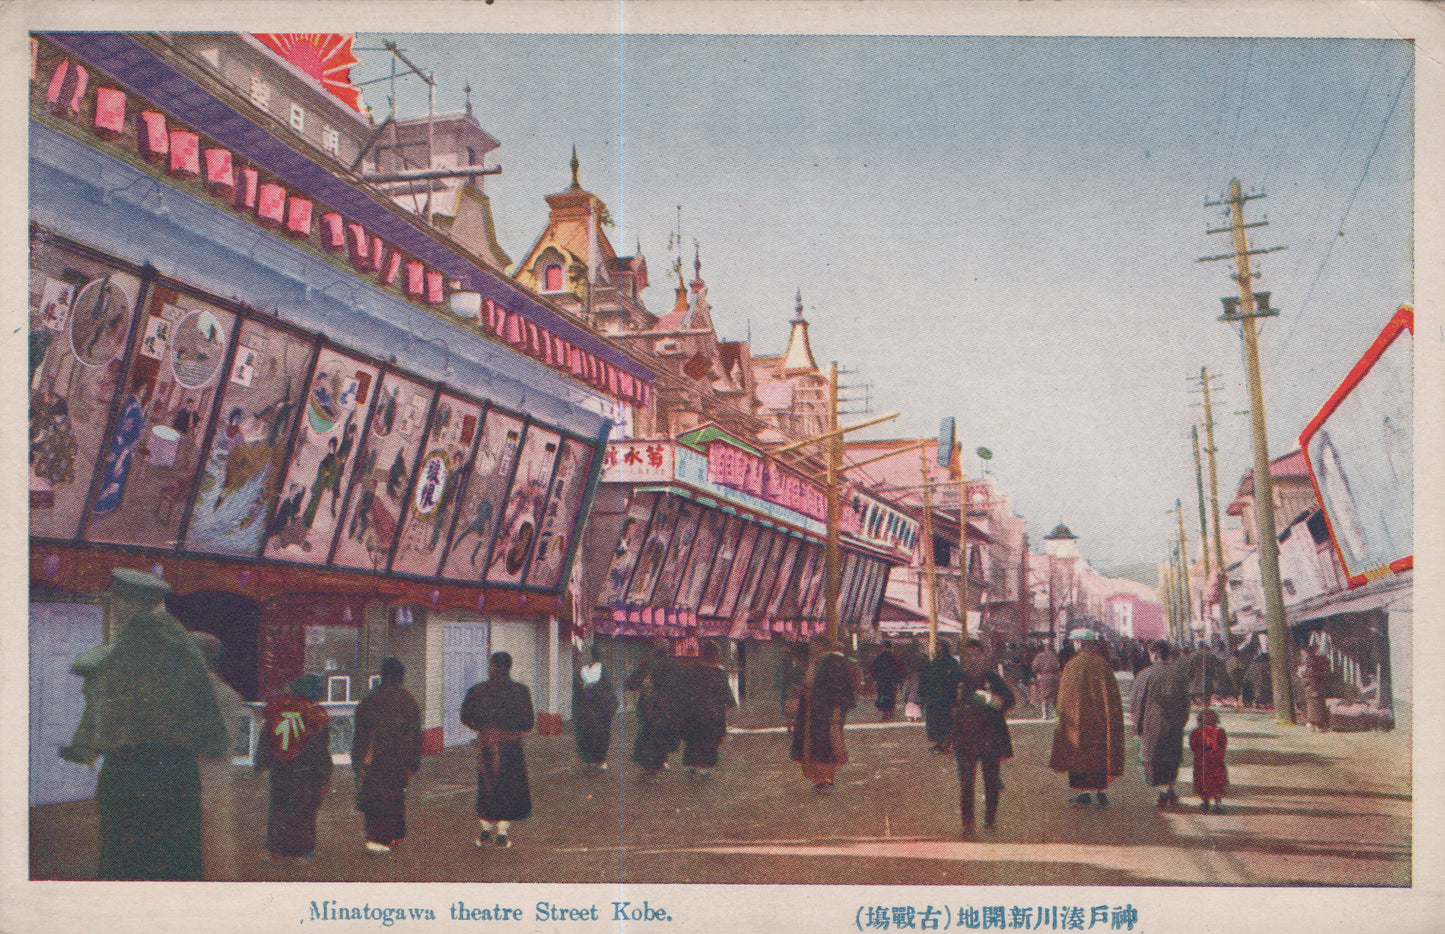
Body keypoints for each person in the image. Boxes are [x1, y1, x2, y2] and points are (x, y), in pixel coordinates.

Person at [61, 569, 230, 880]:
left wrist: (84, 747)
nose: (113, 607)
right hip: (176, 771)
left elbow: (99, 704)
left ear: (130, 604)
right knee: (174, 861)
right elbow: (208, 723)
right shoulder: (183, 646)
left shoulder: (123, 650)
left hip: (128, 771)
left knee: (125, 861)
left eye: (116, 601)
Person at [461, 652, 535, 848]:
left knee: (487, 785)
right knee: (508, 787)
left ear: (491, 666)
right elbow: (529, 722)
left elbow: (465, 716)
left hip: (487, 745)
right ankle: (502, 831)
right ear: (509, 667)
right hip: (511, 747)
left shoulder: (478, 690)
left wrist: (483, 729)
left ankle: (485, 829)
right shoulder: (521, 691)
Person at [255, 673, 333, 861]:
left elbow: (266, 737)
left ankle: (277, 849)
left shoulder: (276, 709)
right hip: (305, 769)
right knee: (304, 810)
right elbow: (321, 746)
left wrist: (262, 762)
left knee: (279, 807)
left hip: (280, 767)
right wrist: (324, 773)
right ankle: (302, 850)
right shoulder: (315, 714)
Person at [192, 632, 248, 879]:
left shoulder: (211, 692)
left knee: (210, 836)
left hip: (206, 772)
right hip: (212, 773)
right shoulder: (221, 691)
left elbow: (215, 742)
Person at [351, 657, 422, 854]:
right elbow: (414, 734)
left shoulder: (369, 699)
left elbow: (360, 733)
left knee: (373, 797)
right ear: (401, 676)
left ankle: (374, 837)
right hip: (397, 759)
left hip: (373, 758)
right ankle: (391, 837)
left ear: (382, 676)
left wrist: (357, 761)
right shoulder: (408, 701)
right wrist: (413, 763)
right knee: (394, 797)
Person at [1048, 628, 1125, 808]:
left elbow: (1063, 698)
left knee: (1078, 754)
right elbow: (1112, 697)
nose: (1073, 645)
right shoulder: (1102, 665)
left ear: (1080, 644)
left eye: (1075, 642)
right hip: (1099, 720)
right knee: (1098, 754)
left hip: (1078, 721)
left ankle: (1084, 793)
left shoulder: (1072, 666)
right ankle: (1100, 791)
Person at [951, 638, 1015, 835]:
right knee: (966, 782)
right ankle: (967, 823)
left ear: (983, 656)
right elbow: (945, 704)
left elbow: (1009, 700)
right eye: (968, 655)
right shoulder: (956, 678)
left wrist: (990, 700)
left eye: (976, 654)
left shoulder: (992, 678)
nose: (973, 659)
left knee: (991, 779)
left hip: (990, 735)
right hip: (964, 736)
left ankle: (990, 818)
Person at [790, 635, 857, 794]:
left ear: (821, 645)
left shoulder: (830, 662)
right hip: (814, 711)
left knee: (825, 744)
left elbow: (835, 690)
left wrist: (835, 710)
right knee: (816, 744)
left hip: (824, 711)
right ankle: (821, 780)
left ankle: (825, 780)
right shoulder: (818, 661)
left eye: (814, 645)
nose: (811, 648)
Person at [1129, 640, 1190, 808]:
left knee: (1154, 758)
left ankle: (1161, 791)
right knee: (1171, 757)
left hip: (1151, 722)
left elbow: (1136, 702)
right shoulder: (1178, 675)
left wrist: (1137, 723)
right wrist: (1182, 720)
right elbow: (1186, 702)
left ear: (1154, 655)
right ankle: (1170, 787)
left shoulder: (1144, 675)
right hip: (1174, 723)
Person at [624, 638, 685, 782]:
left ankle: (650, 769)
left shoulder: (647, 664)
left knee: (647, 737)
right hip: (668, 708)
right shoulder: (675, 666)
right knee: (663, 736)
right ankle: (660, 763)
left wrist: (643, 686)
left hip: (648, 707)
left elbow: (630, 683)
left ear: (653, 650)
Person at [679, 643, 738, 778]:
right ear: (715, 655)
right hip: (712, 712)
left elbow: (683, 689)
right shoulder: (718, 672)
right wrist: (730, 703)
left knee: (692, 738)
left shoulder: (691, 670)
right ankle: (705, 767)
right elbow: (725, 691)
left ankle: (691, 765)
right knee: (710, 739)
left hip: (692, 710)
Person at [572, 646, 619, 771]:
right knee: (585, 734)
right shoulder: (580, 670)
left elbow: (607, 689)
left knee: (600, 735)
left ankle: (601, 759)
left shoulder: (602, 670)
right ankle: (589, 760)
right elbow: (576, 690)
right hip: (585, 708)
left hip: (599, 709)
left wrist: (592, 689)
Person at [918, 640, 962, 752]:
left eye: (939, 646)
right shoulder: (934, 662)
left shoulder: (952, 663)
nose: (937, 649)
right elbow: (926, 678)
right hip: (934, 698)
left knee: (946, 721)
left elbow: (957, 679)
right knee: (935, 721)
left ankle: (946, 743)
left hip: (946, 698)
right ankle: (939, 743)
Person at [1189, 708, 1229, 813]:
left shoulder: (1196, 732)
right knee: (1218, 783)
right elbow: (1223, 745)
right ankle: (1218, 804)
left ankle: (1205, 802)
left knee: (1202, 782)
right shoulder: (1219, 732)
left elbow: (1193, 746)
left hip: (1201, 762)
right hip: (1216, 762)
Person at [1299, 645, 1332, 731]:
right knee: (1312, 702)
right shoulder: (1313, 661)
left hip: (1313, 684)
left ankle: (1315, 723)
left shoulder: (1315, 661)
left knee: (1314, 702)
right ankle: (1314, 723)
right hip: (1311, 684)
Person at [868, 643, 905, 721]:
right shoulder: (895, 656)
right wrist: (899, 680)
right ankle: (890, 711)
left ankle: (884, 712)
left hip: (881, 680)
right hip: (892, 680)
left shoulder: (879, 657)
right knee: (891, 695)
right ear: (891, 647)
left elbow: (873, 668)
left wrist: (874, 678)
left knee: (882, 695)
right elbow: (900, 668)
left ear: (883, 647)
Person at [1030, 642, 1061, 720]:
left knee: (1045, 696)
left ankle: (1045, 715)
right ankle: (1056, 714)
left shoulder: (1040, 656)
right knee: (1055, 696)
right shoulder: (1055, 655)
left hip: (1045, 676)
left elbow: (1035, 667)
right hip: (1055, 676)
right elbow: (1059, 665)